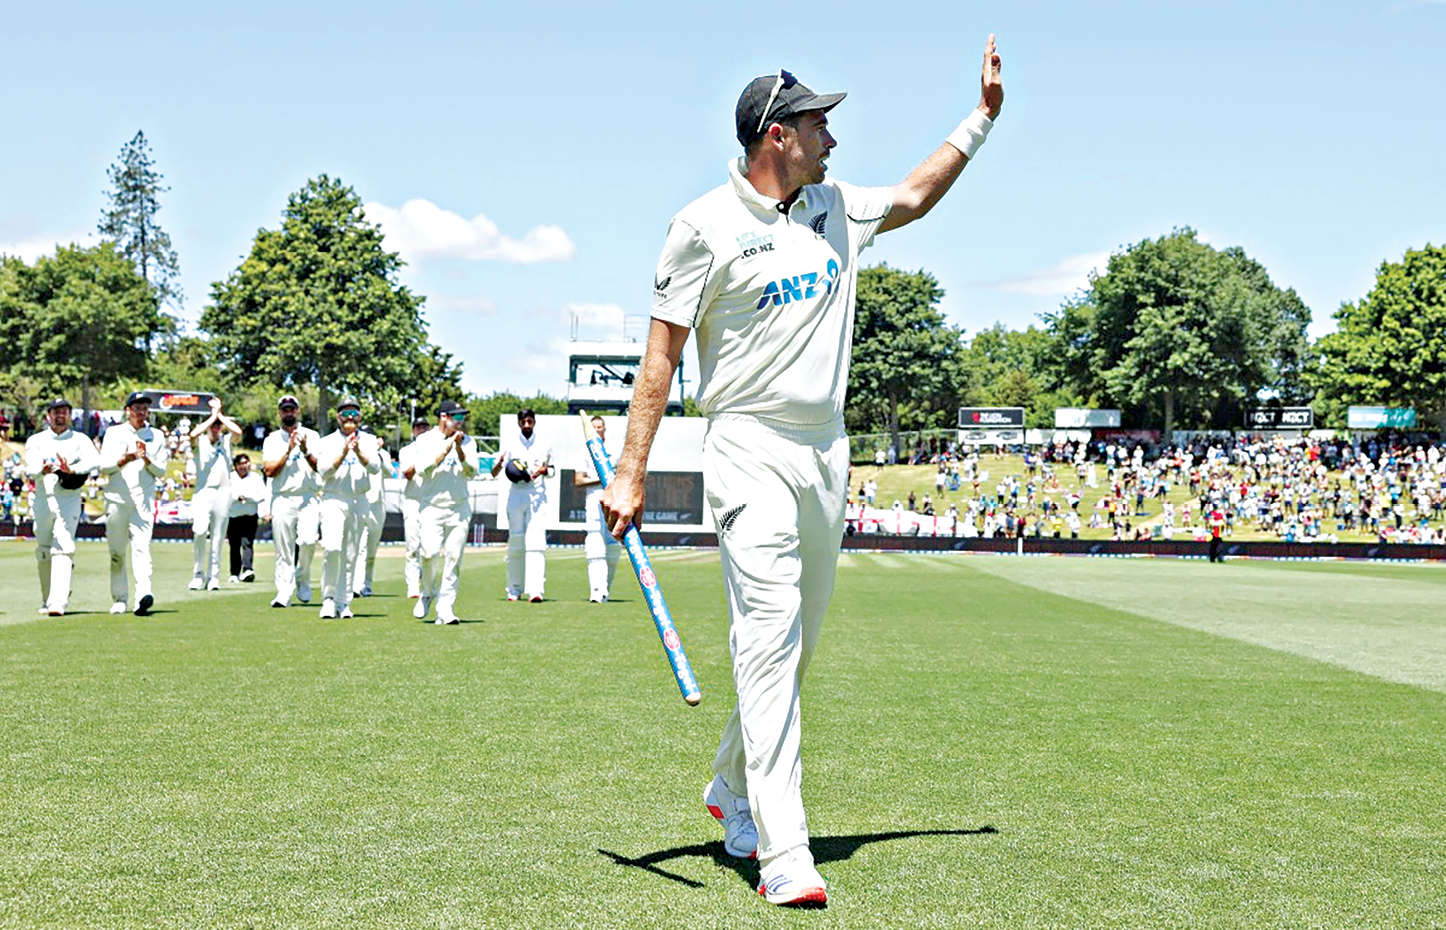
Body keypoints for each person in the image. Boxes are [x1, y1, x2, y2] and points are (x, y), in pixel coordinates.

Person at [601, 42, 1004, 907]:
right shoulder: (701, 226)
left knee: (796, 649)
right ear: (776, 136)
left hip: (826, 450)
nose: (833, 138)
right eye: (819, 124)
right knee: (768, 636)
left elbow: (915, 195)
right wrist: (631, 472)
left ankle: (729, 787)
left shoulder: (834, 206)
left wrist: (982, 118)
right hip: (747, 445)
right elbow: (660, 357)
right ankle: (784, 852)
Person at [24, 398, 99, 616]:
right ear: (48, 416)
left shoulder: (80, 439)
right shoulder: (36, 440)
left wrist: (71, 469)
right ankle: (47, 598)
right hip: (42, 497)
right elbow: (30, 468)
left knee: (64, 545)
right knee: (44, 550)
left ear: (69, 415)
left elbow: (94, 461)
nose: (60, 416)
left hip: (69, 497)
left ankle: (58, 601)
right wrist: (43, 469)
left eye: (64, 412)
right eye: (56, 412)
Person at [100, 392, 170, 616]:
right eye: (137, 408)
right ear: (127, 410)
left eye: (145, 408)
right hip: (117, 500)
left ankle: (143, 596)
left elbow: (161, 470)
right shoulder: (114, 433)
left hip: (143, 503)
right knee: (117, 553)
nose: (141, 412)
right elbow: (104, 466)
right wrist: (125, 459)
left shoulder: (156, 435)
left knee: (142, 548)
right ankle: (120, 598)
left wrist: (147, 458)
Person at [313, 397, 380, 619]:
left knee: (351, 553)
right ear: (338, 417)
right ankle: (329, 598)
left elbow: (375, 467)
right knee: (332, 548)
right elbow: (323, 471)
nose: (350, 418)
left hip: (359, 499)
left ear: (360, 417)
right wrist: (343, 452)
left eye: (354, 413)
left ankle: (344, 601)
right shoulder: (326, 441)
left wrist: (358, 451)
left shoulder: (369, 440)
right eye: (345, 414)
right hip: (334, 498)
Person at [413, 401, 479, 623]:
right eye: (456, 417)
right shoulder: (425, 440)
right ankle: (427, 592)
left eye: (462, 418)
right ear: (443, 417)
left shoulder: (469, 442)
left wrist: (459, 449)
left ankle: (446, 608)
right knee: (428, 553)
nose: (460, 422)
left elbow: (472, 471)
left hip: (458, 508)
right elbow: (423, 469)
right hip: (431, 506)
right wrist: (447, 447)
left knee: (454, 557)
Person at [262, 395, 322, 608]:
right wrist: (288, 450)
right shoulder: (271, 439)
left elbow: (320, 467)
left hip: (308, 496)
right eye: (285, 410)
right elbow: (269, 470)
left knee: (308, 541)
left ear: (298, 411)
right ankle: (283, 592)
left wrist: (304, 450)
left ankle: (303, 578)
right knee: (284, 549)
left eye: (292, 409)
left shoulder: (312, 436)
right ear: (280, 413)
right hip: (283, 497)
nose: (288, 413)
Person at [490, 408, 551, 602]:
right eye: (523, 422)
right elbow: (494, 471)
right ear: (518, 423)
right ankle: (514, 589)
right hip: (516, 494)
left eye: (529, 421)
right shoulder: (509, 444)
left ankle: (536, 590)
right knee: (516, 541)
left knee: (536, 543)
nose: (526, 425)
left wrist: (544, 471)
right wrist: (500, 463)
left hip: (536, 495)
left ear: (534, 422)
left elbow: (552, 470)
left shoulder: (544, 444)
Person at [188, 397, 242, 591]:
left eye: (219, 425)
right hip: (203, 492)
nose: (216, 428)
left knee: (218, 537)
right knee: (199, 531)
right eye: (214, 425)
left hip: (223, 493)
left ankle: (214, 577)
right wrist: (212, 416)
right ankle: (198, 575)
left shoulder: (226, 441)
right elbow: (193, 434)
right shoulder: (200, 442)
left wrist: (220, 415)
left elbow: (238, 432)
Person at [573, 414, 622, 602]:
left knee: (613, 545)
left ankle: (604, 590)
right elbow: (579, 480)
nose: (596, 430)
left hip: (614, 498)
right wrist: (601, 478)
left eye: (599, 427)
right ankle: (596, 591)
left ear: (604, 428)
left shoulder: (615, 450)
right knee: (595, 543)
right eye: (593, 427)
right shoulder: (583, 452)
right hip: (594, 498)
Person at [352, 426, 393, 598]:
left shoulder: (383, 454)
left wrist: (379, 453)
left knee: (371, 549)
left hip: (378, 505)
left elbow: (390, 472)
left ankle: (367, 583)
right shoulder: (355, 453)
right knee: (359, 546)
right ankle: (356, 585)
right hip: (362, 501)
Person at [397, 416, 432, 600]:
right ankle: (412, 586)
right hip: (412, 501)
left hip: (431, 502)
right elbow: (407, 473)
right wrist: (421, 460)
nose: (422, 430)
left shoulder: (436, 448)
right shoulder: (407, 451)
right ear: (413, 431)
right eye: (418, 427)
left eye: (425, 426)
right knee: (412, 545)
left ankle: (426, 582)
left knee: (429, 547)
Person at [228, 453, 267, 583]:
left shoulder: (256, 478)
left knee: (248, 543)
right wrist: (237, 497)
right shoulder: (230, 477)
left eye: (246, 463)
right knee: (234, 545)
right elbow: (227, 495)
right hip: (233, 516)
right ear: (235, 466)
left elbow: (262, 495)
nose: (243, 466)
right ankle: (234, 573)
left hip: (250, 515)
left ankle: (248, 569)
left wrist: (248, 497)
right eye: (240, 464)